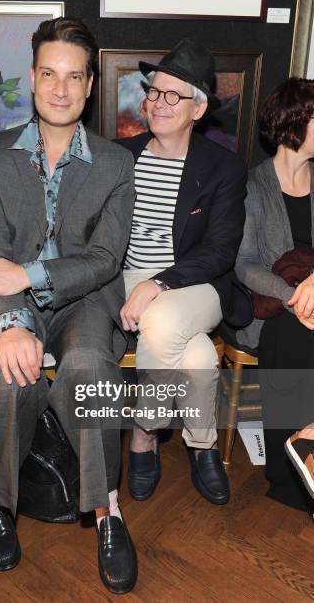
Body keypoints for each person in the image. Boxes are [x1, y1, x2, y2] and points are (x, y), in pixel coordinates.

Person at [0, 17, 137, 594]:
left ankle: (107, 511)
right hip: (12, 301)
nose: (60, 89)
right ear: (34, 77)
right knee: (10, 379)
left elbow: (105, 259)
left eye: (74, 77)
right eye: (49, 74)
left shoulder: (116, 163)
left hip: (84, 300)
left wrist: (30, 271)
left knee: (91, 370)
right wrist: (13, 320)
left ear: (90, 86)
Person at [116, 39, 251, 505]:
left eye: (174, 95)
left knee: (166, 319)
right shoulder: (121, 156)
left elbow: (220, 250)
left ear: (198, 108)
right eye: (154, 92)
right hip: (127, 278)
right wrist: (138, 284)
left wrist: (158, 284)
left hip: (195, 282)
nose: (159, 103)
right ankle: (203, 444)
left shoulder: (223, 168)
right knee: (197, 357)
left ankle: (143, 433)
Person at [235, 77, 314, 512]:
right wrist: (294, 296)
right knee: (296, 332)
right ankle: (291, 476)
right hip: (272, 309)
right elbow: (245, 264)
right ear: (294, 123)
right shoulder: (252, 185)